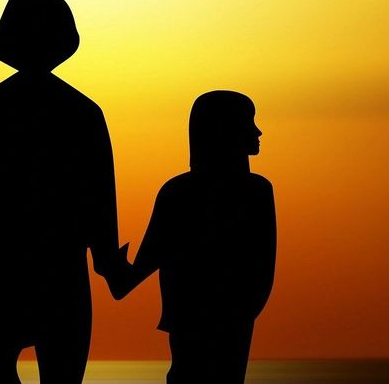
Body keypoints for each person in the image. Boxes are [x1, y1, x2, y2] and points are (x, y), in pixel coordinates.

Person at [0, 0, 125, 384]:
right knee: (58, 369)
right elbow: (100, 197)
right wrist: (108, 263)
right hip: (61, 265)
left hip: (7, 261)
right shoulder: (84, 111)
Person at [115, 91, 277, 384]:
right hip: (217, 315)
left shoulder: (180, 191)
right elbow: (262, 267)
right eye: (248, 123)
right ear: (224, 131)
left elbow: (262, 267)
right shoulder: (253, 192)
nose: (257, 131)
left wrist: (117, 271)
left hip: (224, 315)